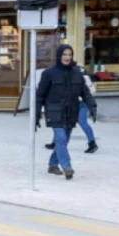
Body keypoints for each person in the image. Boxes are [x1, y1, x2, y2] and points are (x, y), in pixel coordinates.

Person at [35, 43, 95, 180]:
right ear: (59, 55)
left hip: (71, 111)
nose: (67, 57)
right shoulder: (49, 73)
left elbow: (85, 92)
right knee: (61, 138)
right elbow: (40, 95)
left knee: (64, 140)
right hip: (54, 111)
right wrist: (37, 113)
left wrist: (92, 105)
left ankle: (52, 164)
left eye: (69, 55)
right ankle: (67, 167)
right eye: (64, 54)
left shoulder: (77, 73)